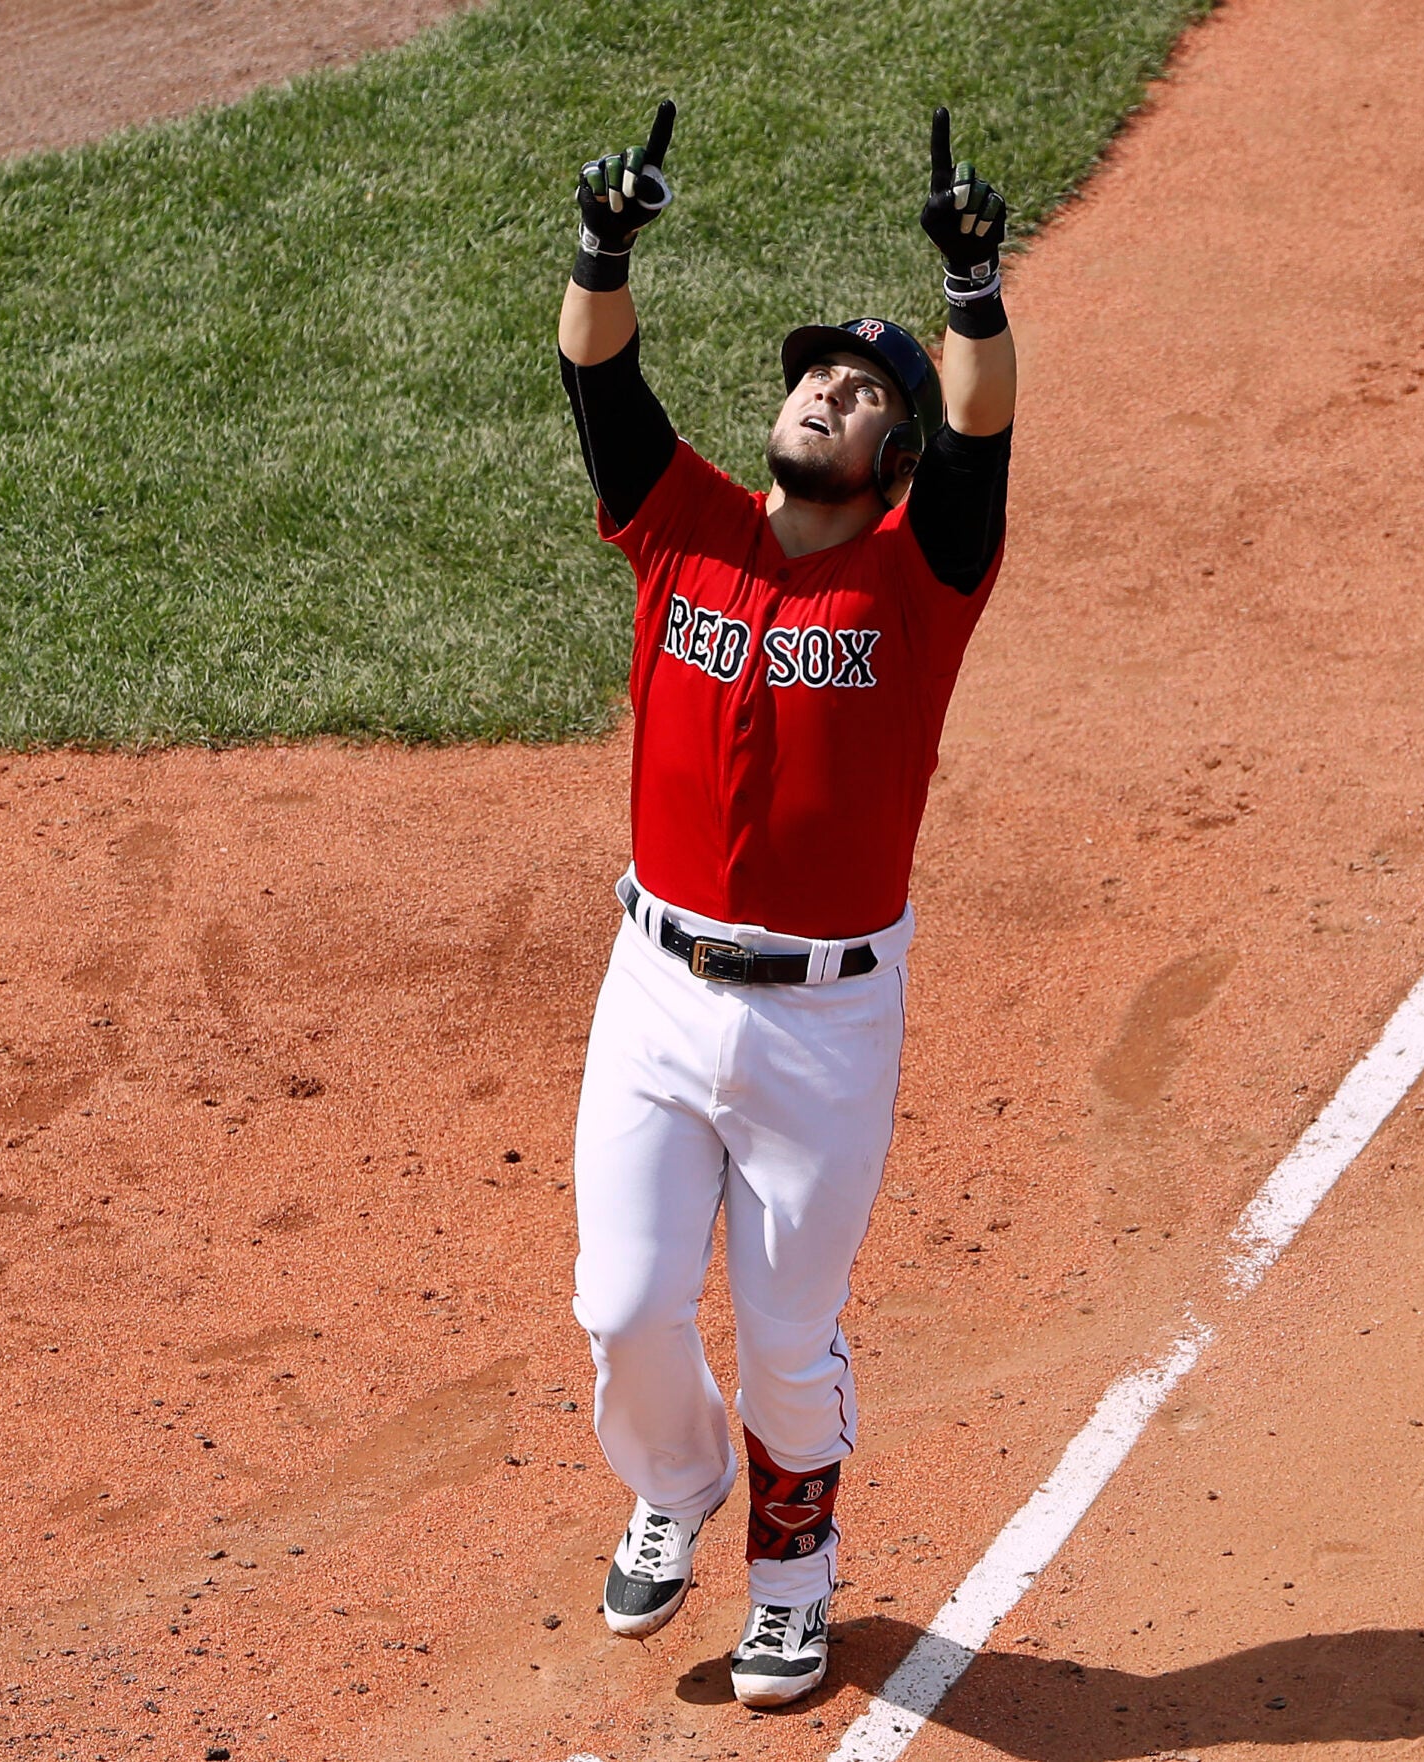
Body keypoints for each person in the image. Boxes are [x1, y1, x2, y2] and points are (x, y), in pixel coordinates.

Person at [557, 98, 1017, 1709]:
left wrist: (970, 295)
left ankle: (794, 1581)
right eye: (817, 370)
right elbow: (599, 382)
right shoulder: (683, 529)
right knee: (618, 1303)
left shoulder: (916, 581)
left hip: (826, 1021)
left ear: (891, 451)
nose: (828, 386)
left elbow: (982, 448)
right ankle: (677, 1482)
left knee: (789, 1336)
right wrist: (602, 246)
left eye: (865, 388)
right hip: (658, 989)